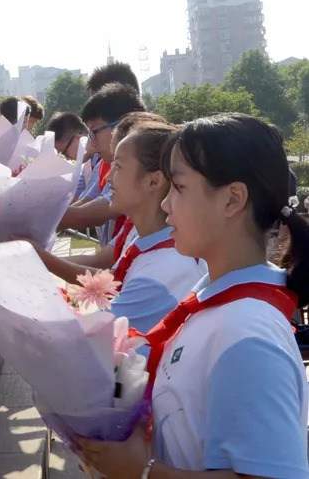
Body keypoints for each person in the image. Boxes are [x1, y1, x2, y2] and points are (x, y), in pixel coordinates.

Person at [77, 114, 309, 478]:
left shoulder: (248, 335)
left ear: (232, 199)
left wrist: (142, 472)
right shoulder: (213, 303)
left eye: (179, 188)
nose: (166, 204)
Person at [39, 114, 206, 336]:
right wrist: (41, 259)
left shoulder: (163, 270)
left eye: (118, 167)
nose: (109, 180)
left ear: (154, 181)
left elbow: (93, 339)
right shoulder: (147, 236)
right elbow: (113, 280)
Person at [57, 84, 145, 240]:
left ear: (121, 125)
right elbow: (84, 202)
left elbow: (87, 215)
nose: (92, 142)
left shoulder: (143, 168)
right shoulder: (103, 165)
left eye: (94, 132)